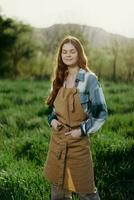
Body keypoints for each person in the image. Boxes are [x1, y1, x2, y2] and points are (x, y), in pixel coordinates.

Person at [44, 35, 108, 200]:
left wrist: (81, 130)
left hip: (78, 143)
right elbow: (50, 107)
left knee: (86, 191)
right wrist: (52, 120)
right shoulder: (60, 77)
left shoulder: (89, 79)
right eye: (64, 52)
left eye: (72, 51)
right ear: (61, 55)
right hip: (57, 142)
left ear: (79, 54)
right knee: (58, 190)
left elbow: (101, 113)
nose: (68, 55)